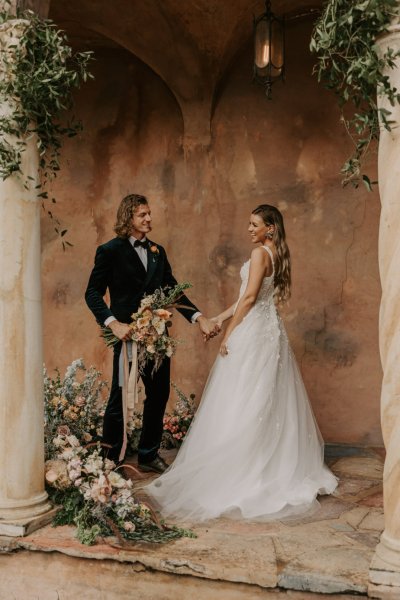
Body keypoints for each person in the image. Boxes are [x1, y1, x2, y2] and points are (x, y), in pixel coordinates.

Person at [145, 204, 338, 521]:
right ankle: (267, 460)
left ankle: (242, 468)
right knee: (262, 397)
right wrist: (219, 319)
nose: (248, 229)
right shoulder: (274, 253)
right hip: (268, 328)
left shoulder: (262, 253)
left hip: (254, 330)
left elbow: (249, 299)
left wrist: (229, 333)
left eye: (254, 224)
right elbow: (248, 297)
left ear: (270, 228)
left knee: (245, 396)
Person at [85, 194, 218, 472]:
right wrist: (113, 323)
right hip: (128, 337)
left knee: (158, 394)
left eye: (149, 214)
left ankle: (148, 454)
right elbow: (92, 293)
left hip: (158, 338)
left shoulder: (158, 251)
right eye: (142, 215)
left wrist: (199, 317)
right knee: (120, 396)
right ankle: (109, 460)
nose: (149, 219)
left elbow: (172, 290)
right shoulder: (109, 251)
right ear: (128, 218)